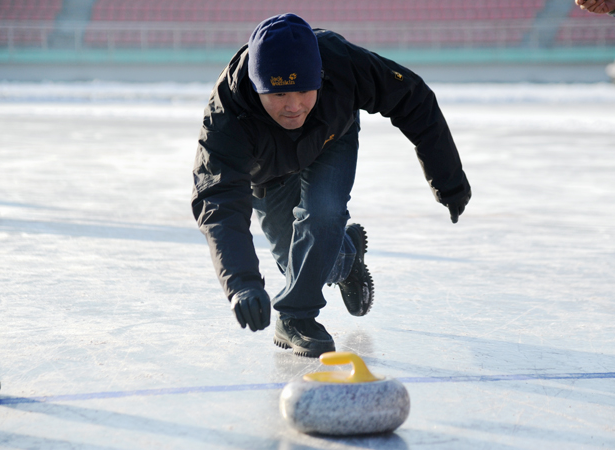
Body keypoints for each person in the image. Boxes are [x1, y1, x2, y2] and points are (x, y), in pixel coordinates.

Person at [191, 14, 471, 358]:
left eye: (304, 90)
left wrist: (448, 179)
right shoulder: (227, 114)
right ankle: (345, 257)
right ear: (256, 84)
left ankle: (296, 318)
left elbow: (413, 98)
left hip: (330, 137)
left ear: (320, 76)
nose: (293, 106)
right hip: (268, 173)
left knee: (323, 213)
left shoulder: (342, 64)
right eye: (278, 92)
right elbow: (218, 200)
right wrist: (241, 283)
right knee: (301, 263)